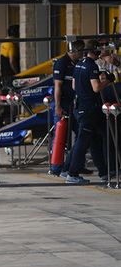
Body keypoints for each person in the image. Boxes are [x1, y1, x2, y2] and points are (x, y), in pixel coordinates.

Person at [66, 42, 109, 185]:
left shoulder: (78, 64)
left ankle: (105, 171)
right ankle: (72, 173)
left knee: (96, 139)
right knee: (82, 142)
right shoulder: (92, 66)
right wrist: (107, 81)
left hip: (81, 107)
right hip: (88, 108)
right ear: (95, 52)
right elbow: (96, 88)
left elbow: (73, 86)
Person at [50, 40, 85, 176]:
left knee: (81, 133)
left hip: (74, 104)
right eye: (80, 51)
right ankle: (56, 167)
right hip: (62, 104)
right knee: (60, 136)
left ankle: (75, 164)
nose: (82, 54)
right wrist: (58, 106)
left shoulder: (77, 64)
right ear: (74, 51)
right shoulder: (61, 63)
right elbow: (57, 86)